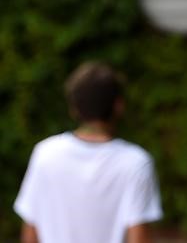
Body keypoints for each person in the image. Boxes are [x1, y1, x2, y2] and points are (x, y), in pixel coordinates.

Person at [14, 61, 163, 243]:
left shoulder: (45, 153)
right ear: (118, 105)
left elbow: (30, 233)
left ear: (74, 108)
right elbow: (139, 238)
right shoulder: (136, 162)